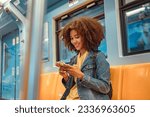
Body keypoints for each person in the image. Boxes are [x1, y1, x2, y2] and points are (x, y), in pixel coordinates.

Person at [56, 16, 111, 100]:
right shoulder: (74, 59)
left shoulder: (98, 56)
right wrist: (65, 77)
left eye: (77, 37)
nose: (74, 41)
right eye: (71, 38)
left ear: (87, 36)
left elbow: (105, 87)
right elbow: (71, 87)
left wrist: (81, 76)